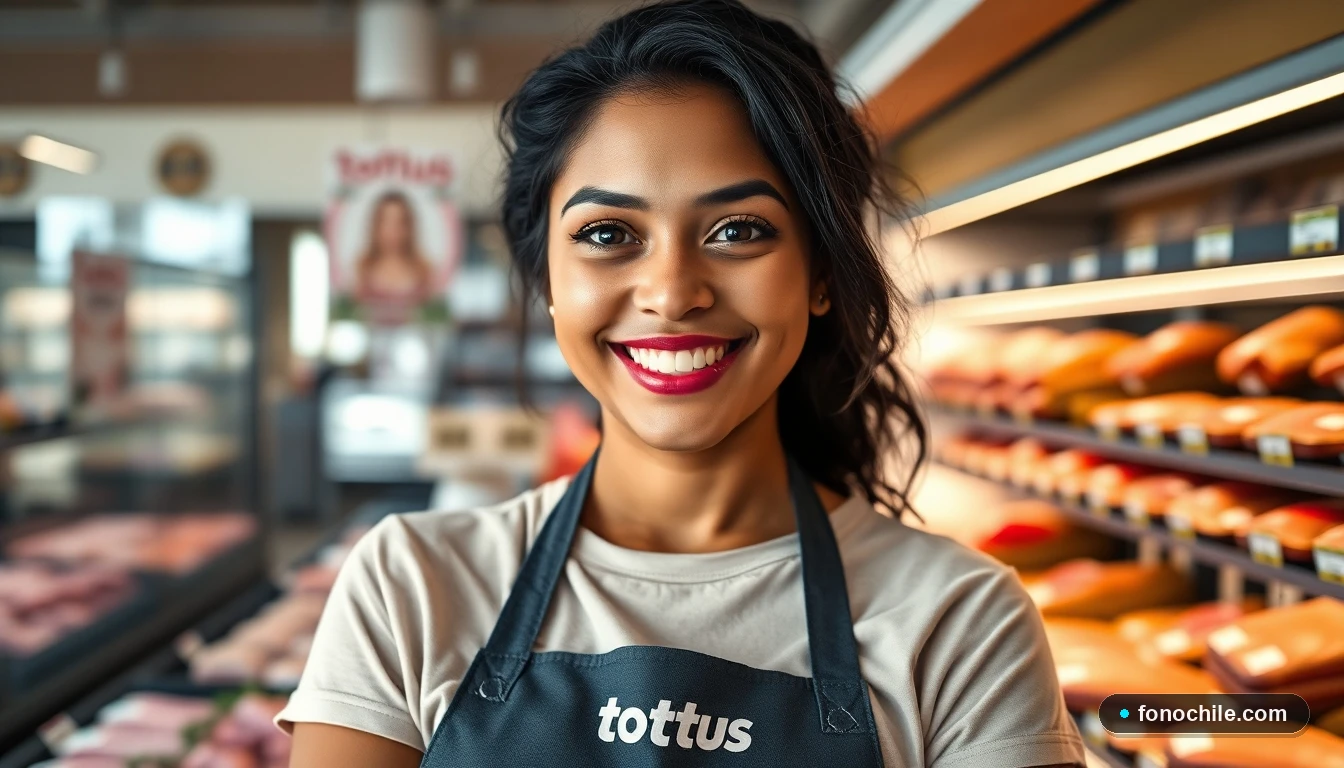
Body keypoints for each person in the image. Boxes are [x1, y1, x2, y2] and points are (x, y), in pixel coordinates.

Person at [280, 1, 1086, 766]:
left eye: (738, 230)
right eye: (608, 234)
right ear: (548, 280)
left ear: (819, 275)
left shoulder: (959, 624)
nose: (671, 293)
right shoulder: (412, 587)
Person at [353, 191, 435, 307]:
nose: (393, 231)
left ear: (409, 227)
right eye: (386, 222)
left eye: (399, 223)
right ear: (376, 226)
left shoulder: (424, 270)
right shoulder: (362, 269)